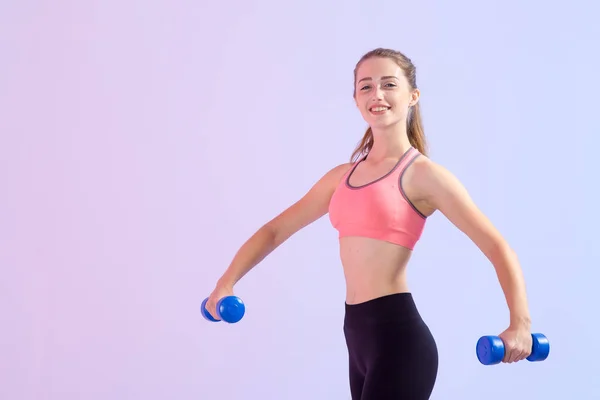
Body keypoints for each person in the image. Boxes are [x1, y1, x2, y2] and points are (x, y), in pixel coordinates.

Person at [205, 48, 534, 399]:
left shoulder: (424, 176)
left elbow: (498, 247)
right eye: (366, 86)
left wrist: (521, 325)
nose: (376, 94)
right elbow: (274, 231)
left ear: (413, 96)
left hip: (400, 342)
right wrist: (226, 283)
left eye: (388, 84)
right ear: (356, 99)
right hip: (358, 339)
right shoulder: (340, 178)